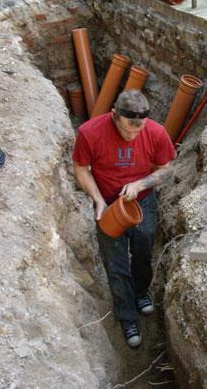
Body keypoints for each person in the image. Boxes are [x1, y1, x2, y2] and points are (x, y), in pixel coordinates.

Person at [72, 90, 176, 348]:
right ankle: (127, 316)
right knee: (116, 265)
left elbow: (166, 168)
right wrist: (98, 200)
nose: (131, 136)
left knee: (142, 252)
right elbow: (80, 169)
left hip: (142, 202)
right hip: (108, 206)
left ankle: (141, 293)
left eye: (137, 131)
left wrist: (140, 185)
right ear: (114, 116)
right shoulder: (90, 132)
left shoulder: (156, 132)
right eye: (126, 130)